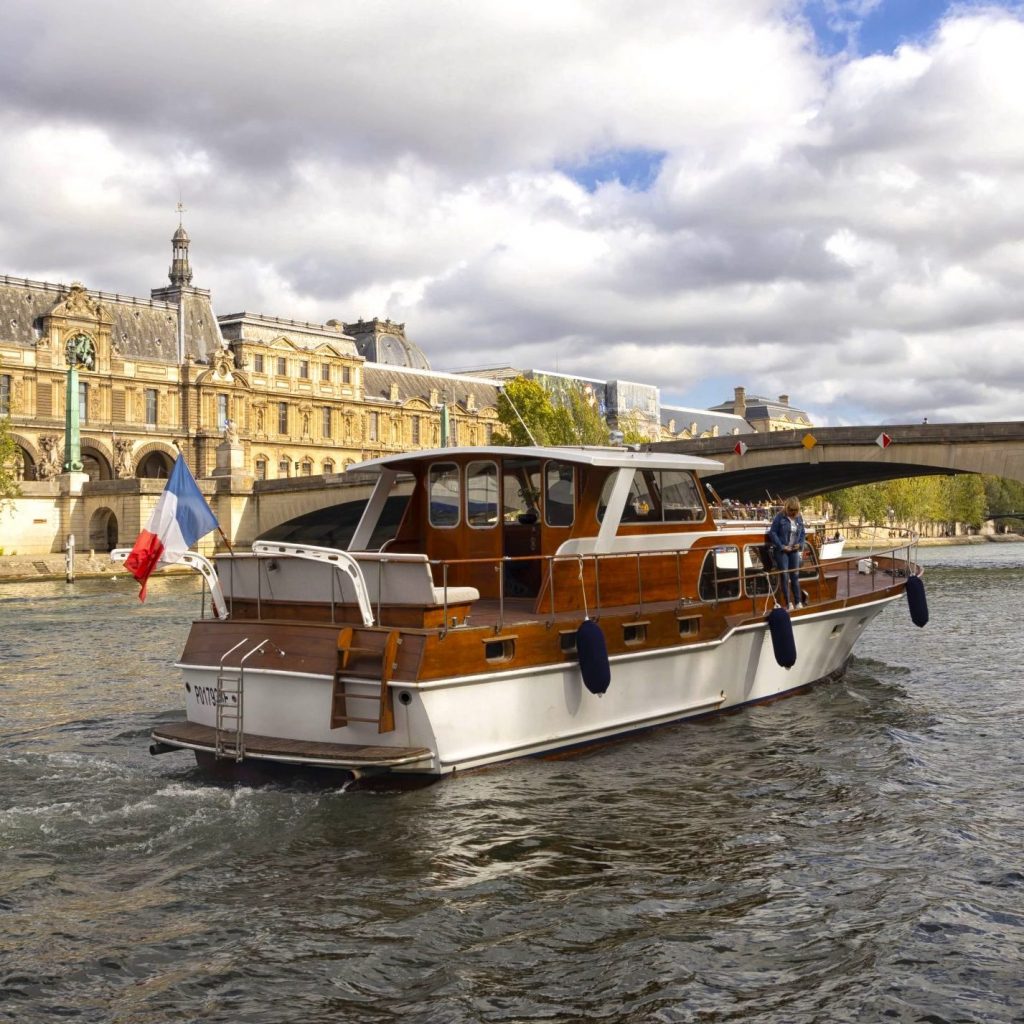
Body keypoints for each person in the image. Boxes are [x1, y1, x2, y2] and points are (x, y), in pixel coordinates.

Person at [768, 496, 807, 610]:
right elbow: (773, 533)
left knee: (795, 576)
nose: (793, 513)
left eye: (795, 511)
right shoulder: (780, 517)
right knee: (785, 576)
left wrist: (800, 544)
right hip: (782, 551)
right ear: (787, 508)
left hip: (794, 550)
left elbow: (803, 533)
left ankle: (798, 602)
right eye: (791, 510)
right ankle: (788, 603)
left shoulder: (799, 518)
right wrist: (781, 546)